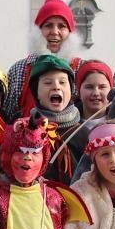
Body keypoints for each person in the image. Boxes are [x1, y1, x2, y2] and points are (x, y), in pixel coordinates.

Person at [3, 0, 84, 118]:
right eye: (48, 25)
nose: (54, 32)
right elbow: (8, 115)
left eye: (61, 26)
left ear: (70, 32)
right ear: (38, 31)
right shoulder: (20, 69)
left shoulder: (82, 69)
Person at [27, 54, 82, 185]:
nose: (56, 87)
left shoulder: (83, 133)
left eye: (62, 82)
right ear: (36, 91)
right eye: (47, 82)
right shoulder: (25, 130)